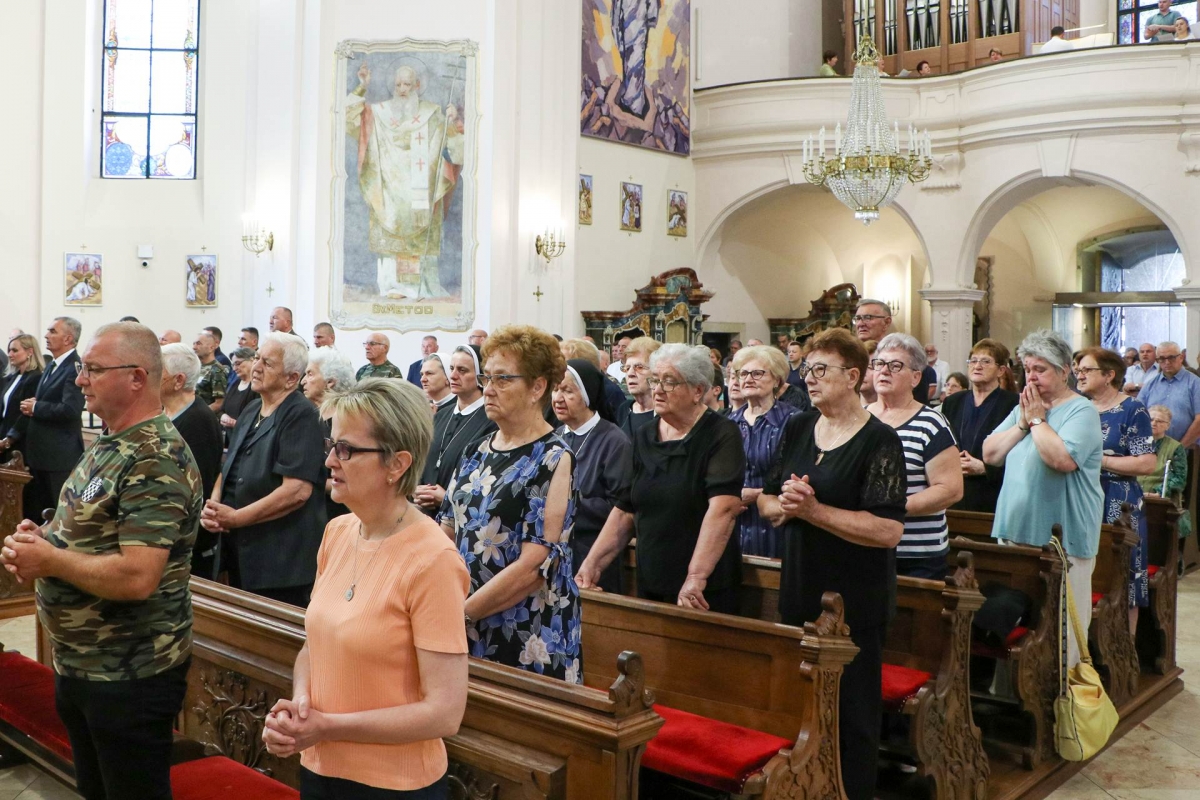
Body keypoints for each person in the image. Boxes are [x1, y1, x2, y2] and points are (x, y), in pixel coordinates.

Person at [1, 322, 201, 800]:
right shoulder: (113, 443)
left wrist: (49, 559)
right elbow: (89, 525)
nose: (78, 379)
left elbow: (137, 577)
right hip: (85, 664)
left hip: (129, 671)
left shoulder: (155, 457)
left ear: (136, 377)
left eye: (92, 369)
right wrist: (45, 535)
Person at [263, 378, 468, 798]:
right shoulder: (338, 532)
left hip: (394, 783)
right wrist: (301, 709)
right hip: (321, 765)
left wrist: (327, 727)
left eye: (348, 450)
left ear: (397, 464)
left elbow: (444, 713)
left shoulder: (433, 559)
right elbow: (314, 647)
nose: (330, 462)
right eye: (331, 445)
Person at [756, 326, 907, 800]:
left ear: (853, 376)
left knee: (852, 719)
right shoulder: (798, 427)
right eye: (807, 370)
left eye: (821, 370)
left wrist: (813, 510)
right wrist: (788, 503)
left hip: (852, 604)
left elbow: (888, 530)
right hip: (801, 588)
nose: (810, 379)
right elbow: (764, 502)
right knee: (802, 714)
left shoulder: (880, 440)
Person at [439, 326, 581, 681]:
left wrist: (462, 614)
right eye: (488, 377)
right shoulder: (476, 451)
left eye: (503, 379)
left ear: (537, 387)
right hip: (460, 618)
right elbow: (445, 530)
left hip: (522, 629)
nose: (488, 389)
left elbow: (535, 566)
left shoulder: (553, 459)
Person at [577, 344, 746, 613]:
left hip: (703, 589)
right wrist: (592, 564)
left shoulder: (721, 434)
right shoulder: (645, 435)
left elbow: (723, 510)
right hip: (652, 576)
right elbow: (625, 509)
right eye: (655, 380)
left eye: (669, 382)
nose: (657, 389)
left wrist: (696, 577)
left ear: (698, 391)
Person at [983, 330, 1103, 668]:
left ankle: (1065, 698)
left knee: (1063, 626)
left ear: (1065, 371)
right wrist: (1023, 423)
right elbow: (990, 453)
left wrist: (1035, 420)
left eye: (1040, 369)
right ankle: (1018, 697)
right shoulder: (1026, 407)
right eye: (1026, 369)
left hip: (1065, 538)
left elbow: (1061, 459)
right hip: (1016, 531)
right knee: (1018, 621)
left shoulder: (1082, 411)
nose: (1031, 377)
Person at [201, 333, 329, 607]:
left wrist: (236, 518)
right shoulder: (251, 410)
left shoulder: (301, 416)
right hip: (239, 550)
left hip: (279, 561)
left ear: (291, 378)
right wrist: (213, 507)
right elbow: (229, 465)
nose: (256, 366)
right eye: (257, 357)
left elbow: (296, 491)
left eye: (267, 363)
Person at [346, 64, 464, 300]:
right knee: (390, 228)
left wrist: (451, 123)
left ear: (417, 86)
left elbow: (454, 150)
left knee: (419, 231)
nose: (402, 89)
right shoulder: (379, 112)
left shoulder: (431, 114)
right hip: (388, 187)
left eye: (407, 84)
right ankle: (391, 285)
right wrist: (362, 87)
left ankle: (420, 287)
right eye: (398, 84)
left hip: (420, 188)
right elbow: (349, 120)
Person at [867, 334, 962, 578]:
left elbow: (950, 489)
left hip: (917, 556)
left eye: (895, 365)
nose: (884, 371)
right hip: (865, 545)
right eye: (879, 363)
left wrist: (890, 509)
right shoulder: (860, 418)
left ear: (916, 377)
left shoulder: (930, 423)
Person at [1075, 347, 1155, 635]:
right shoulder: (1078, 407)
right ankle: (1086, 648)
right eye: (1078, 370)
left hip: (1119, 499)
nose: (1080, 375)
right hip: (1081, 496)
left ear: (1109, 375)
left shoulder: (1133, 409)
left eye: (1087, 370)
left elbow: (1147, 462)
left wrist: (1100, 460)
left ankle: (1124, 650)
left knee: (1124, 575)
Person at [553, 359, 631, 594]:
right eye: (555, 389)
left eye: (567, 390)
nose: (557, 397)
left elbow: (620, 507)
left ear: (588, 393)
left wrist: (563, 503)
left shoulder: (614, 441)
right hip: (555, 553)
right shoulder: (553, 438)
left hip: (593, 555)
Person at [160, 343, 224, 579]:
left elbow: (196, 486)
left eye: (158, 372)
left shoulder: (198, 420)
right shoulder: (166, 412)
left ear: (178, 381)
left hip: (187, 543)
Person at [413, 344, 496, 518]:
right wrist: (417, 489)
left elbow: (488, 480)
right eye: (451, 369)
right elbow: (423, 458)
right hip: (426, 517)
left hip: (463, 520)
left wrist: (448, 498)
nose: (453, 376)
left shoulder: (490, 420)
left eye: (462, 370)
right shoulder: (440, 415)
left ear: (481, 377)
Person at [729, 345, 797, 558]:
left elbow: (798, 477)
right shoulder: (728, 424)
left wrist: (757, 495)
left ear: (777, 381)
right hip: (734, 527)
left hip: (778, 529)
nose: (749, 378)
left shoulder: (793, 421)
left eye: (757, 373)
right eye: (743, 373)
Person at [940, 339, 1020, 513]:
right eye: (973, 361)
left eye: (985, 361)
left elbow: (1020, 455)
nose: (977, 366)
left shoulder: (1013, 404)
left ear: (1001, 370)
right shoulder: (953, 402)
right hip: (955, 492)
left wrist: (985, 468)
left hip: (992, 492)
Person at [22, 317, 85, 520]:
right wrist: (37, 403)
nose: (46, 335)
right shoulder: (53, 365)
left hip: (59, 455)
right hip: (42, 453)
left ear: (68, 338)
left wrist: (37, 407)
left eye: (52, 331)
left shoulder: (74, 367)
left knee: (59, 512)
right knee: (41, 510)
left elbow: (71, 409)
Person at [854, 298, 937, 404]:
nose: (860, 323)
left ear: (887, 322)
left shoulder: (910, 359)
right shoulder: (849, 359)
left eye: (867, 318)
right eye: (857, 318)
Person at [1140, 405, 1192, 539]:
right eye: (1151, 419)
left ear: (1167, 426)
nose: (1154, 423)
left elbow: (1179, 478)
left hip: (1160, 502)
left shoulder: (1175, 447)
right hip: (1134, 496)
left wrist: (1158, 492)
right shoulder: (1135, 442)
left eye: (1159, 421)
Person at [1138, 341, 1200, 447]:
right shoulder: (1150, 385)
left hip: (1188, 449)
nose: (1167, 362)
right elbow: (1137, 414)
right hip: (1153, 448)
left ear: (1181, 357)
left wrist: (1179, 448)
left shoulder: (1195, 383)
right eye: (1161, 359)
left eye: (1171, 358)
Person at [0, 334, 44, 459]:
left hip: (19, 442)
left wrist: (9, 439)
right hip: (4, 435)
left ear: (30, 351)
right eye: (9, 350)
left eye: (14, 350)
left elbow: (26, 414)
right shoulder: (12, 377)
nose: (9, 354)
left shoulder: (35, 378)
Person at [616, 336, 661, 436]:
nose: (630, 374)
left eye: (639, 367)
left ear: (656, 373)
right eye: (627, 368)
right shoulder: (624, 409)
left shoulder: (664, 413)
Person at [220, 347, 259, 439]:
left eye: (238, 364)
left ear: (252, 360)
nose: (234, 368)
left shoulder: (258, 387)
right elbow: (222, 409)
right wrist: (223, 416)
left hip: (246, 438)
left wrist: (237, 424)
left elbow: (258, 417)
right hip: (229, 437)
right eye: (233, 365)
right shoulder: (235, 384)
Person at [193, 329, 229, 413]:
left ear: (211, 347)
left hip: (202, 417)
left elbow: (219, 403)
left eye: (198, 344)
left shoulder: (217, 370)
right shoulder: (195, 367)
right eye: (194, 344)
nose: (194, 347)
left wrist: (198, 414)